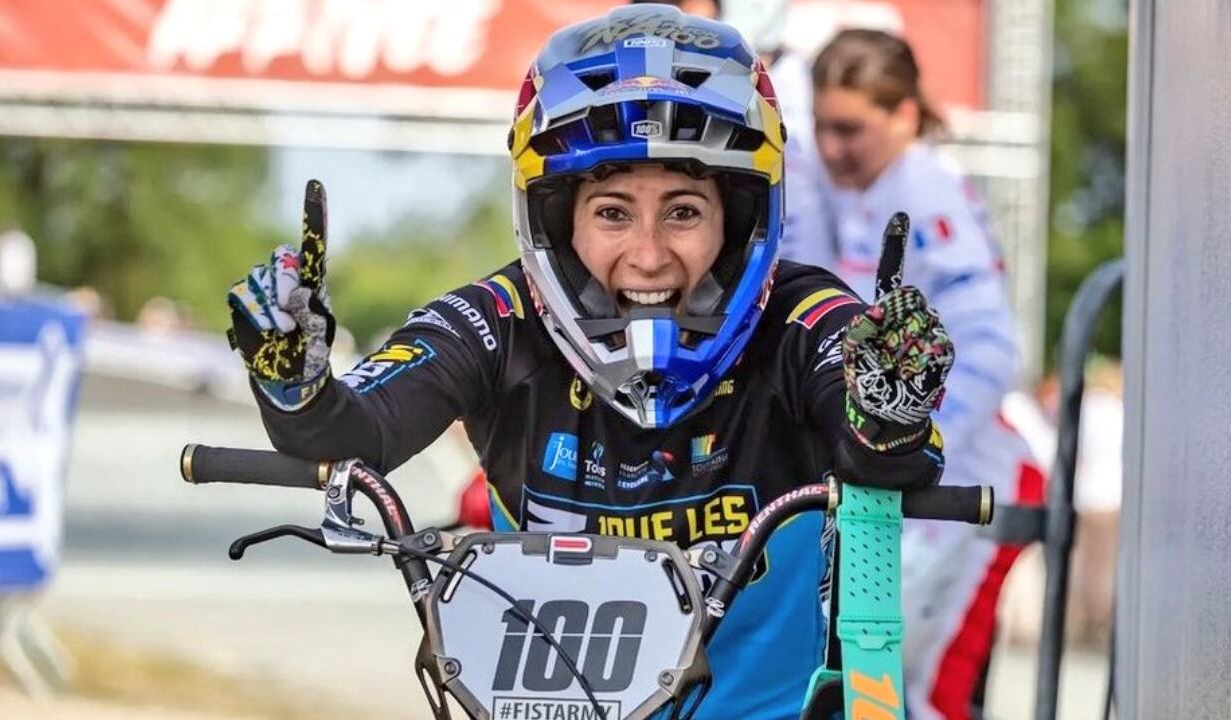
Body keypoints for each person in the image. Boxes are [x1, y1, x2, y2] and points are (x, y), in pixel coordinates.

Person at [226, 7, 954, 719]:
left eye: (683, 211)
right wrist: (294, 381)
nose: (648, 255)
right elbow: (354, 432)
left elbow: (889, 456)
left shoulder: (805, 317)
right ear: (556, 218)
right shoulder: (498, 317)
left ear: (739, 219)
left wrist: (888, 407)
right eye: (612, 212)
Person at [779, 28, 1039, 720]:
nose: (831, 147)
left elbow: (992, 346)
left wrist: (906, 446)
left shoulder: (923, 187)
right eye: (822, 127)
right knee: (876, 691)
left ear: (902, 115)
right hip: (912, 489)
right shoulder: (866, 187)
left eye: (849, 129)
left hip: (968, 482)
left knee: (920, 697)